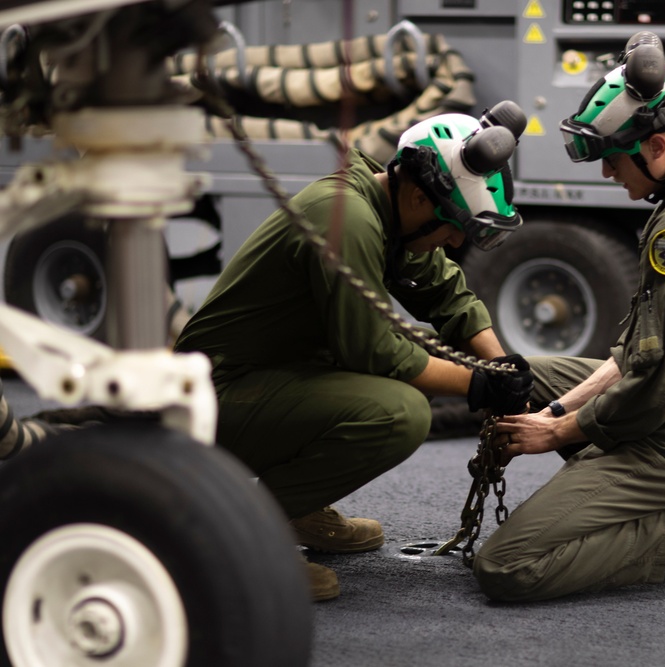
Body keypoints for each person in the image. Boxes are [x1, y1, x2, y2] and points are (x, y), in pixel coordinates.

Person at [174, 104, 534, 601]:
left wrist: (501, 365)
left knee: (397, 395)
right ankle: (239, 535)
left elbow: (447, 295)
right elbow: (373, 350)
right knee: (399, 413)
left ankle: (297, 508)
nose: (454, 241)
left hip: (266, 381)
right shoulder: (345, 217)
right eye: (453, 225)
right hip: (210, 400)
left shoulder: (390, 207)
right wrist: (480, 385)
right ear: (415, 194)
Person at [471, 35, 665, 602]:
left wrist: (554, 432)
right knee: (522, 375)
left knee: (505, 567)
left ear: (657, 146)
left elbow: (656, 386)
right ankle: (619, 481)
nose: (607, 172)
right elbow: (636, 351)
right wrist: (553, 406)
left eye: (612, 156)